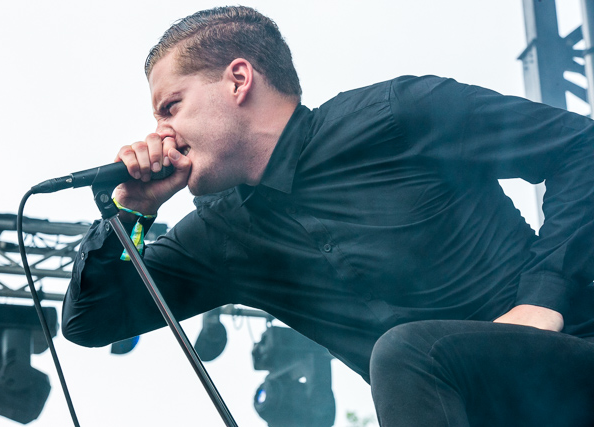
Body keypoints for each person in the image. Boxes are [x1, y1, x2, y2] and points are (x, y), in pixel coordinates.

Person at [62, 6, 594, 426]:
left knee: (407, 350)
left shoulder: (399, 115)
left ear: (238, 79)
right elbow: (93, 321)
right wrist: (129, 213)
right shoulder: (220, 235)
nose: (160, 134)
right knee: (407, 356)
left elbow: (581, 149)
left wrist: (541, 301)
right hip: (466, 416)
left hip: (572, 367)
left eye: (170, 106)